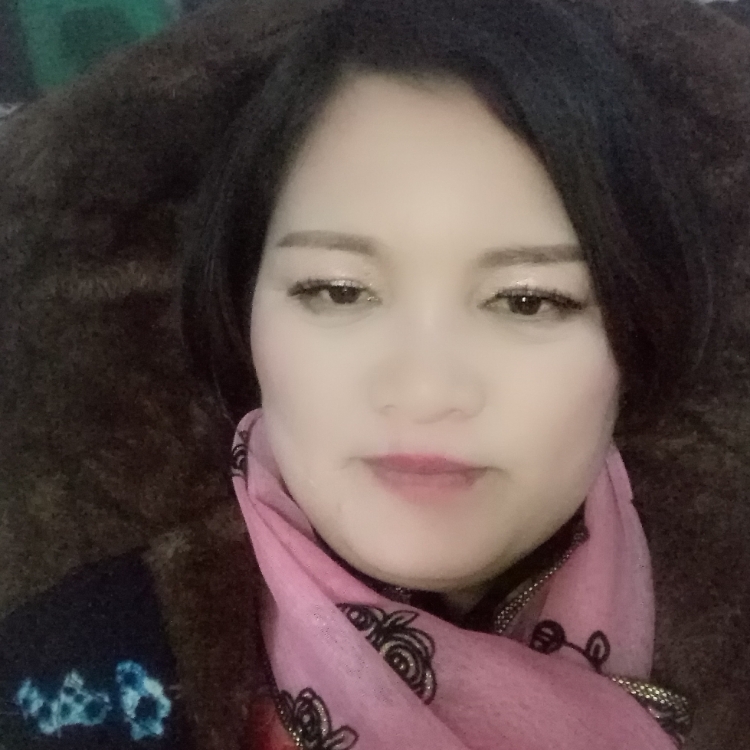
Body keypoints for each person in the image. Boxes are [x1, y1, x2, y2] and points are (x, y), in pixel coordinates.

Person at [1, 0, 749, 749]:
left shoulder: (727, 627)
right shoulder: (80, 670)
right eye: (337, 291)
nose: (424, 391)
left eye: (528, 300)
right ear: (243, 306)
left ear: (638, 331)